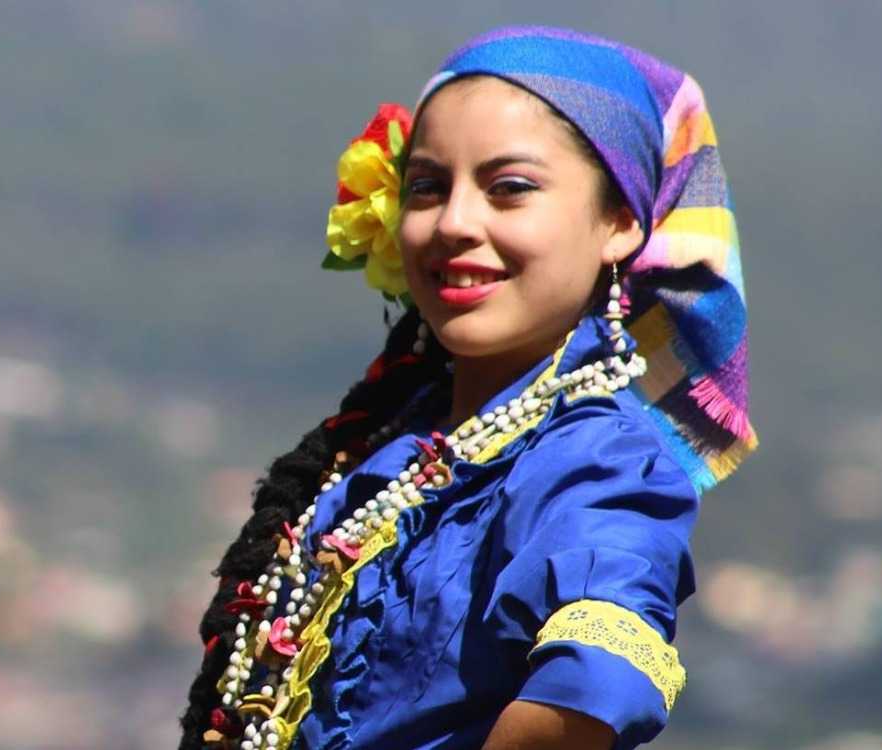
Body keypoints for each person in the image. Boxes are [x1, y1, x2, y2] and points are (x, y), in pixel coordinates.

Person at [179, 25, 757, 750]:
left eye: (509, 189)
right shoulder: (390, 445)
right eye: (426, 188)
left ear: (619, 222)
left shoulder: (595, 460)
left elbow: (601, 678)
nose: (454, 222)